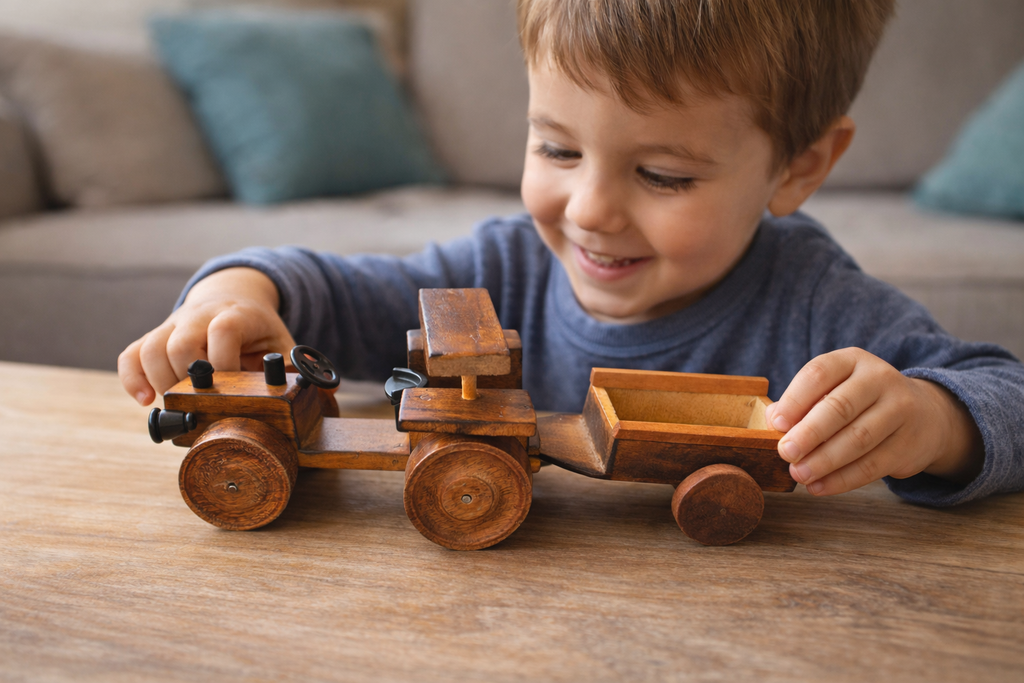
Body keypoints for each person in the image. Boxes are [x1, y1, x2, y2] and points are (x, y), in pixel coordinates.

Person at [119, 0, 1024, 506]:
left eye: (665, 174)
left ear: (800, 166)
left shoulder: (815, 301)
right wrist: (234, 293)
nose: (589, 209)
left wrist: (928, 419)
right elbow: (320, 287)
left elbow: (1005, 392)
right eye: (556, 149)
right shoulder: (500, 268)